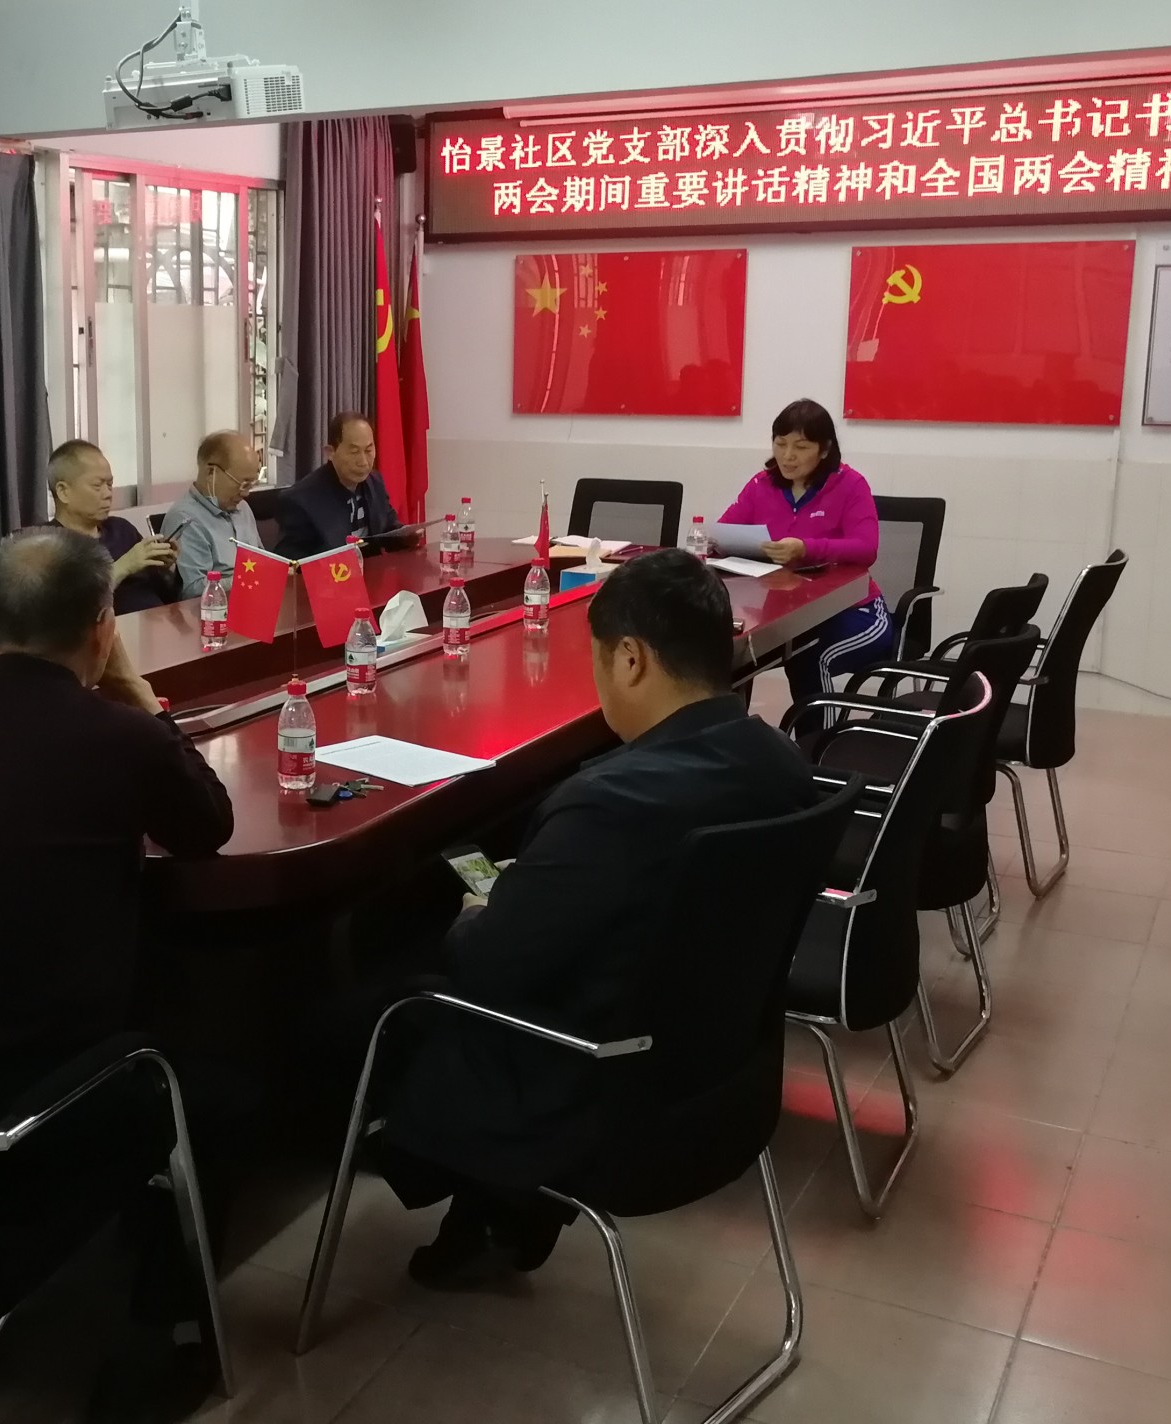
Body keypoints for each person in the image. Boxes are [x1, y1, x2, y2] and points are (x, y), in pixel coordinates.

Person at [375, 551, 816, 1289]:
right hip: (723, 1078)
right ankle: (495, 1218)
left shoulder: (611, 802)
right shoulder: (783, 764)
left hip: (604, 1100)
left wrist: (478, 911)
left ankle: (485, 1197)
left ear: (631, 659)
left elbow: (486, 964)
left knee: (381, 995)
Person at [0, 526, 234, 1417]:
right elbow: (207, 826)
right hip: (57, 1080)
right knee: (220, 1081)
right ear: (102, 624)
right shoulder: (117, 736)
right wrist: (140, 701)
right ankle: (156, 1342)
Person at [716, 398, 890, 711]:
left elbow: (866, 549)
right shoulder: (762, 484)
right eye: (780, 443)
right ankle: (736, 735)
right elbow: (724, 531)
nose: (787, 456)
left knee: (809, 658)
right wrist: (717, 542)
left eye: (801, 447)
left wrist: (805, 548)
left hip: (854, 610)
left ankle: (817, 740)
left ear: (824, 449)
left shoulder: (850, 484)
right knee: (733, 654)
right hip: (789, 612)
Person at [48, 438, 181, 613]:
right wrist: (124, 565)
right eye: (97, 486)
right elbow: (63, 612)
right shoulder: (46, 548)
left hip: (157, 621)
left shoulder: (122, 529)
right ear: (64, 492)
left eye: (110, 484)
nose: (108, 494)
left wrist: (164, 568)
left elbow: (167, 595)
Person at [275, 411, 401, 559]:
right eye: (354, 452)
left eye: (368, 450)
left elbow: (388, 529)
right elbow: (289, 559)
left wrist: (408, 535)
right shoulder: (300, 500)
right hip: (332, 572)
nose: (363, 462)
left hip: (372, 572)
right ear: (330, 452)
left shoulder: (375, 482)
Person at [159, 430, 263, 595]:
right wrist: (249, 578)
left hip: (253, 597)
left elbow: (262, 561)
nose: (246, 493)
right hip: (215, 607)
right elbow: (193, 591)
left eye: (251, 484)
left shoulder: (242, 508)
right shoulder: (185, 519)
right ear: (210, 473)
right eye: (243, 484)